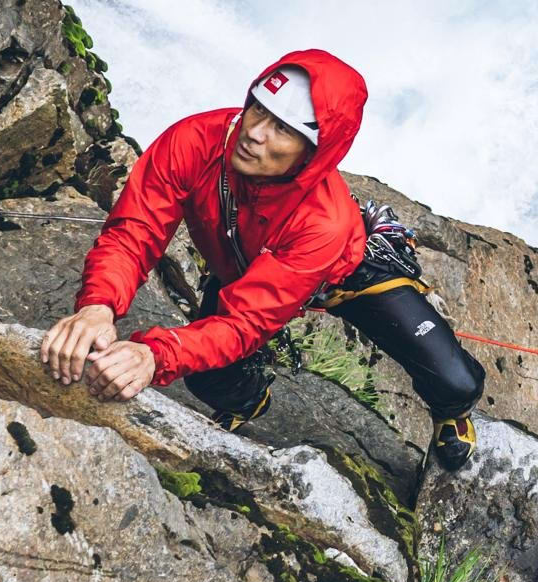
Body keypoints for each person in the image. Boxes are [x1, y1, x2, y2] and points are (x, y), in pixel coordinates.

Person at [41, 48, 485, 472]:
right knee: (209, 378)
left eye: (284, 129)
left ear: (316, 151)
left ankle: (451, 413)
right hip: (247, 267)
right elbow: (135, 231)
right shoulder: (195, 142)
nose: (255, 132)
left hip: (344, 271)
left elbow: (244, 325)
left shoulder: (323, 221)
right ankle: (247, 399)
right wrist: (98, 305)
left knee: (455, 379)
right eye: (258, 108)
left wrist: (154, 355)